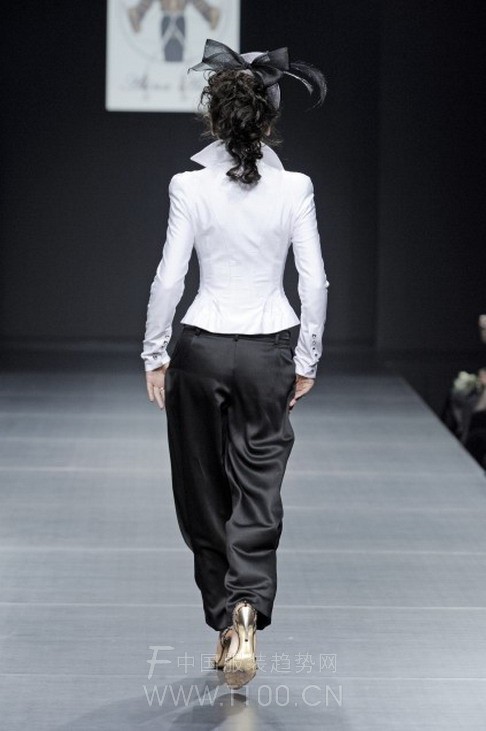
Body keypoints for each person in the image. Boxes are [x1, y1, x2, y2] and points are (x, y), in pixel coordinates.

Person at [140, 39, 330, 689]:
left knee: (201, 489)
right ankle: (247, 605)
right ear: (268, 118)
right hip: (270, 347)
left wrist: (155, 352)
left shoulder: (188, 185)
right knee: (258, 485)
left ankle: (225, 618)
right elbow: (314, 280)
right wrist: (306, 356)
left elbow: (170, 277)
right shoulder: (296, 187)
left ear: (214, 117)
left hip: (200, 347)